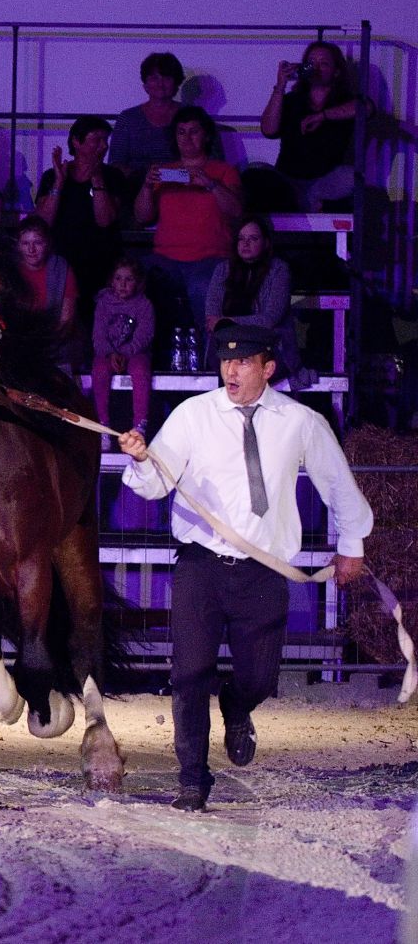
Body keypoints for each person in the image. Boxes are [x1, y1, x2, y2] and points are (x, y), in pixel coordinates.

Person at [118, 322, 372, 813]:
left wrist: (352, 544)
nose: (230, 371)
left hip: (263, 570)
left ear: (267, 368)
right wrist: (142, 460)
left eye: (243, 362)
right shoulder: (193, 415)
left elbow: (338, 484)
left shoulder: (299, 421)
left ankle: (237, 705)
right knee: (190, 674)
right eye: (225, 361)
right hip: (201, 566)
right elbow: (155, 485)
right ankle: (192, 780)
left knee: (259, 678)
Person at [134, 106, 242, 349]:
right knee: (134, 279)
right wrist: (147, 186)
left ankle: (210, 358)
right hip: (165, 258)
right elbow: (142, 216)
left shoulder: (223, 171)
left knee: (203, 290)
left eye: (194, 131)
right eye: (181, 132)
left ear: (206, 136)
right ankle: (145, 356)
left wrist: (211, 184)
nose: (187, 138)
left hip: (211, 258)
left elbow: (236, 211)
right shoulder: (164, 172)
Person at [35, 114, 127, 308]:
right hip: (61, 260)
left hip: (102, 261)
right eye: (96, 140)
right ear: (76, 142)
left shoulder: (113, 176)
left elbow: (105, 220)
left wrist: (97, 178)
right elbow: (44, 221)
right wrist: (59, 183)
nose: (103, 146)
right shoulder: (52, 175)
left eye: (105, 140)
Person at [260, 40, 363, 209]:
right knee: (256, 171)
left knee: (352, 176)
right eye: (311, 63)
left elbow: (366, 107)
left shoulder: (343, 101)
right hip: (288, 178)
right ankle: (303, 201)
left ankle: (307, 200)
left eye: (323, 64)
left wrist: (323, 116)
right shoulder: (292, 100)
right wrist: (280, 85)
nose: (316, 68)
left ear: (336, 72)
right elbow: (268, 130)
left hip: (324, 181)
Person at [207, 216, 298, 376]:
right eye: (241, 239)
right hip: (228, 343)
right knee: (226, 360)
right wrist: (224, 325)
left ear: (266, 242)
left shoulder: (279, 270)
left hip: (267, 345)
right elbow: (211, 318)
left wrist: (229, 322)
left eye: (253, 238)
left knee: (248, 368)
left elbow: (270, 319)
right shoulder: (222, 270)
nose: (246, 243)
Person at [93, 257, 156, 436]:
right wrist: (111, 353)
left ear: (138, 282)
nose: (123, 284)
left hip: (135, 353)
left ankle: (139, 426)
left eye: (129, 279)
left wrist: (125, 353)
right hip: (108, 354)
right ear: (112, 281)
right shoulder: (103, 303)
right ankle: (102, 425)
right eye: (118, 278)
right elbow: (98, 335)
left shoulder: (144, 305)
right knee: (99, 370)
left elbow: (144, 336)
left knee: (140, 370)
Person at [110, 52, 186, 183]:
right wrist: (146, 177)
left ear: (176, 83)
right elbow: (116, 164)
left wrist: (168, 177)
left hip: (184, 187)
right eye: (154, 78)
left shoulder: (193, 116)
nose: (160, 84)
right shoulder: (128, 118)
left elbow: (211, 161)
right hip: (136, 187)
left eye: (166, 78)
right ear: (145, 85)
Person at [15, 214, 78, 367]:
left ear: (47, 244)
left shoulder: (60, 268)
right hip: (18, 341)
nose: (31, 249)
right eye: (25, 243)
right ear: (18, 245)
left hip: (53, 341)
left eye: (37, 243)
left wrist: (46, 344)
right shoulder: (11, 270)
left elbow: (66, 320)